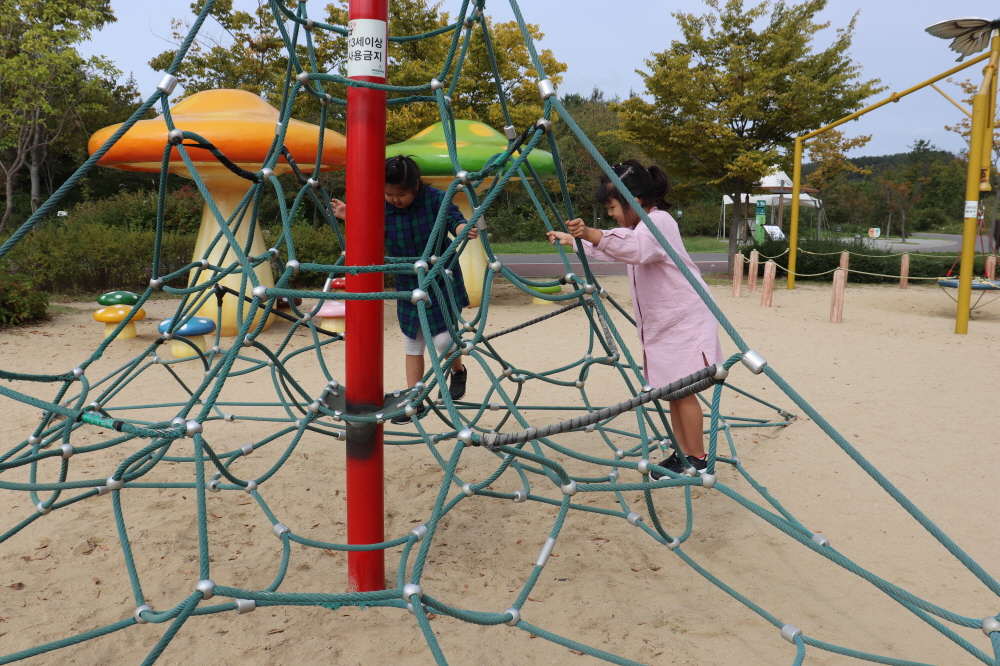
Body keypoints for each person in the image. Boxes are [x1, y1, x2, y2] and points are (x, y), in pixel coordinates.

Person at [546, 160, 723, 477]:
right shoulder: (639, 228)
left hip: (685, 321)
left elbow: (636, 250)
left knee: (684, 392)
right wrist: (576, 240)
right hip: (666, 325)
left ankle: (697, 457)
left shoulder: (659, 222)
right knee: (672, 392)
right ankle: (683, 454)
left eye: (612, 207)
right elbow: (617, 247)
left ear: (635, 201)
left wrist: (590, 232)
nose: (610, 214)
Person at [331, 155, 476, 424]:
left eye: (401, 194)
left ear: (416, 186)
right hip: (407, 277)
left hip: (438, 274)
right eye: (389, 194)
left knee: (443, 340)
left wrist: (462, 228)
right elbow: (366, 227)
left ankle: (457, 370)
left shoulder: (434, 199)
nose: (395, 200)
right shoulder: (379, 204)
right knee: (413, 341)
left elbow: (453, 218)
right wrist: (349, 215)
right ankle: (414, 400)